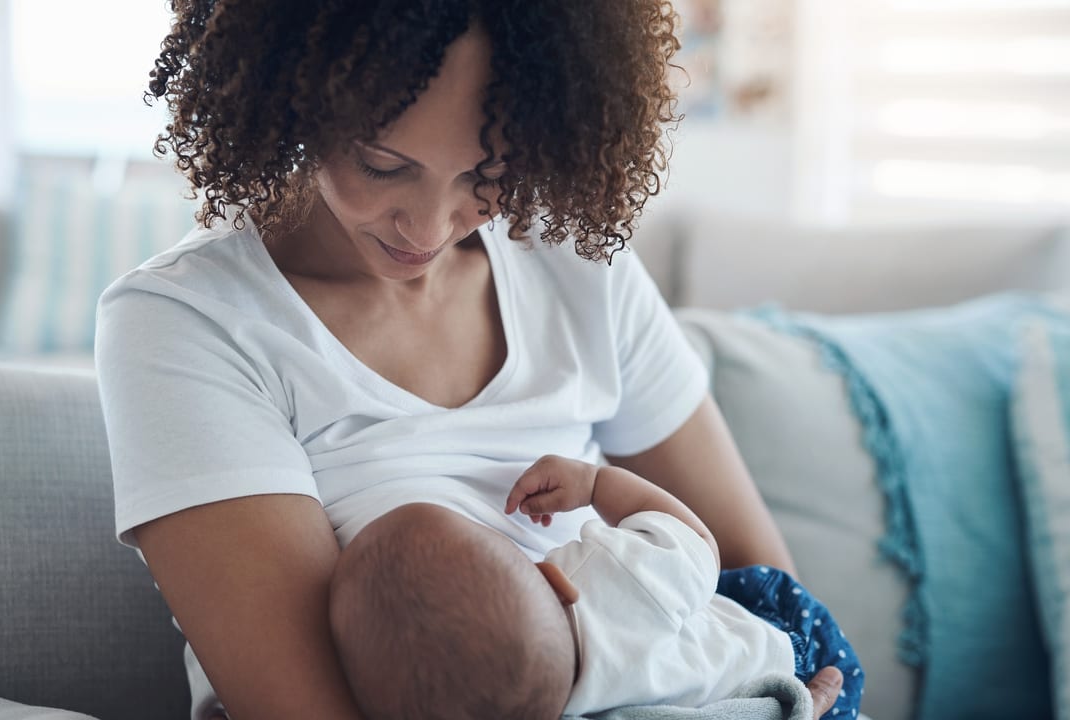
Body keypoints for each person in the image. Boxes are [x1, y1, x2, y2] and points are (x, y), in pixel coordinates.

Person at [94, 2, 845, 719]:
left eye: (486, 175)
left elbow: (771, 596)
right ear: (293, 95)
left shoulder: (576, 266)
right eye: (382, 164)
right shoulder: (187, 323)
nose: (426, 228)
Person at [329, 456, 864, 720]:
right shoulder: (608, 575)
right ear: (553, 578)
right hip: (789, 645)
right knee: (733, 589)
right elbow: (698, 543)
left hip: (750, 700)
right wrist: (596, 484)